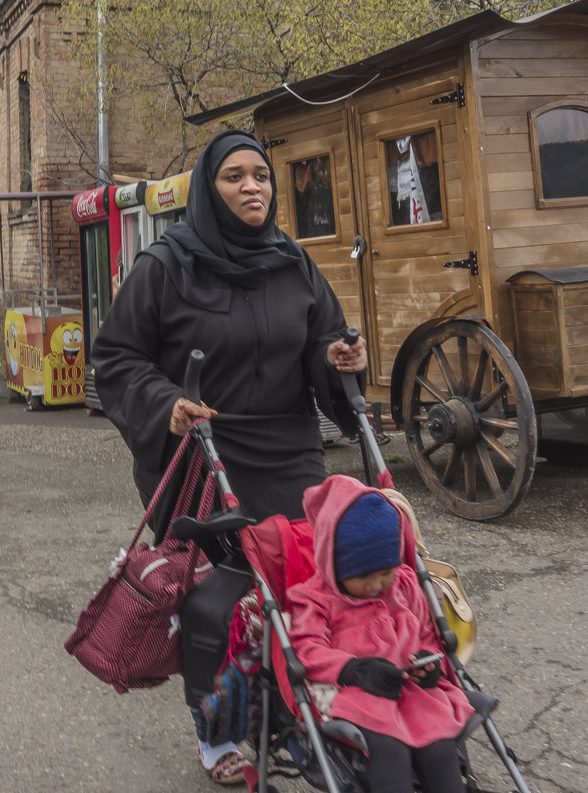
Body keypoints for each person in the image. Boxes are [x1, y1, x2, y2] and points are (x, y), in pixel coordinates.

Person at [90, 129, 367, 785]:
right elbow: (117, 356)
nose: (252, 187)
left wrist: (340, 359)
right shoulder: (167, 265)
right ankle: (217, 731)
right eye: (234, 177)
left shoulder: (293, 262)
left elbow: (323, 341)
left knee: (300, 589)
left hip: (289, 451)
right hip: (202, 451)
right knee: (217, 599)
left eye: (261, 176)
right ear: (209, 191)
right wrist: (166, 405)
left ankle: (292, 710)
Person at [287, 475, 474, 793]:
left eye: (385, 573)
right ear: (334, 566)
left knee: (441, 745)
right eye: (362, 578)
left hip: (413, 690)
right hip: (356, 692)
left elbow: (427, 633)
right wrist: (352, 669)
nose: (376, 586)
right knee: (390, 752)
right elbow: (306, 648)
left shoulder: (403, 585)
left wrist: (430, 665)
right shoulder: (315, 598)